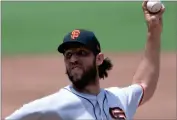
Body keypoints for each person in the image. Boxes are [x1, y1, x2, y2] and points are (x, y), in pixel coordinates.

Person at [5, 1, 165, 120]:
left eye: (82, 52)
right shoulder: (53, 106)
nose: (73, 59)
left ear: (99, 59)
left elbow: (145, 84)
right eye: (68, 55)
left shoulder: (117, 99)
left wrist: (154, 30)